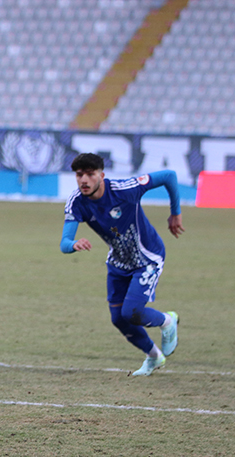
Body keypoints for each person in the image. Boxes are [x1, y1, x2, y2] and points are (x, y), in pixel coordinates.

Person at [61, 153, 184, 376]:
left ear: (102, 175)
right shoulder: (77, 202)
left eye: (90, 174)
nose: (84, 180)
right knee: (118, 318)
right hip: (119, 262)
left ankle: (167, 321)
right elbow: (64, 243)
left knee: (132, 312)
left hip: (147, 257)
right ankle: (154, 357)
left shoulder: (125, 189)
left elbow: (168, 175)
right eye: (80, 175)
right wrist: (73, 244)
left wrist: (175, 213)